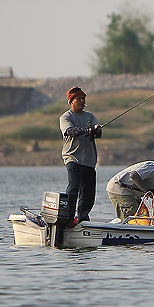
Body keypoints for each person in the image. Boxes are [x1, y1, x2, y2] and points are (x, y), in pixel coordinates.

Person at [59, 87, 102, 224]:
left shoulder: (90, 116)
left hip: (89, 160)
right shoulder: (66, 117)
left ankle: (82, 218)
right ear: (71, 101)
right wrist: (87, 130)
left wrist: (96, 130)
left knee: (88, 194)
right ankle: (69, 219)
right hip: (73, 158)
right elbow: (70, 131)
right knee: (74, 188)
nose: (82, 101)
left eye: (83, 98)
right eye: (79, 99)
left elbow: (98, 133)